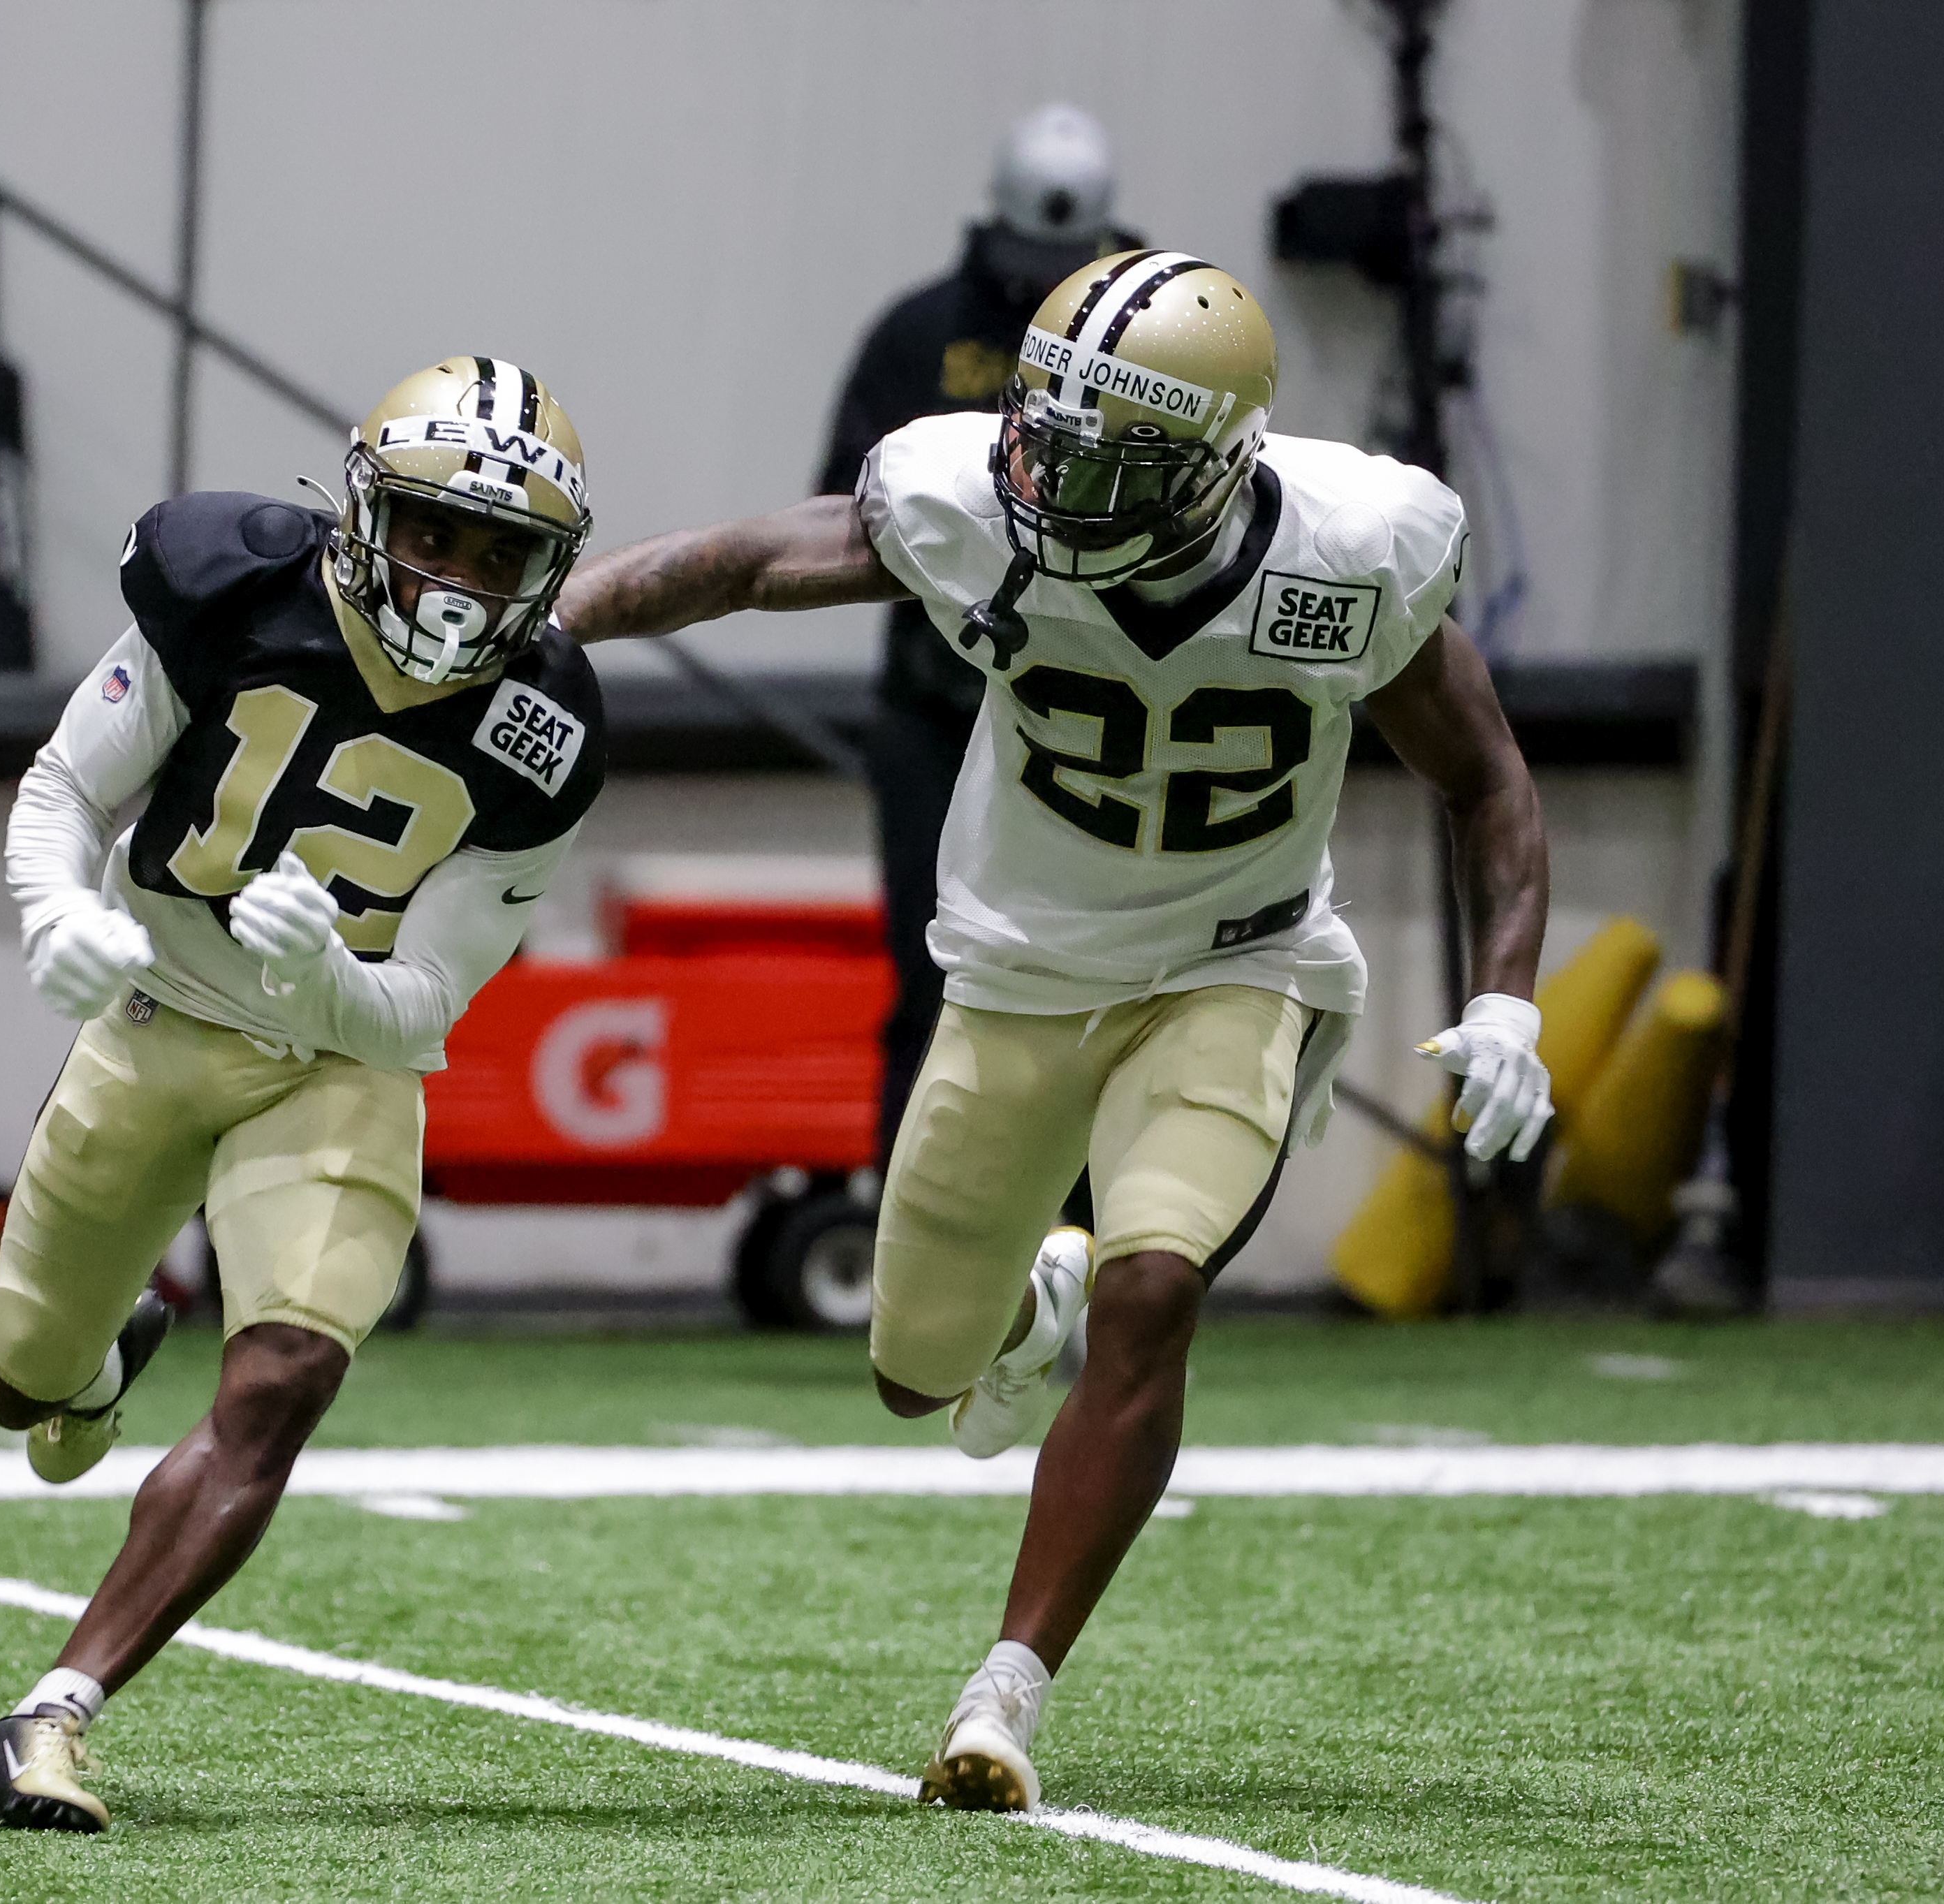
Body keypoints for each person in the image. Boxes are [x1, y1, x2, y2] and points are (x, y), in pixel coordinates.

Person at [560, 251, 1552, 1811]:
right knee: (913, 1371)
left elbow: (1487, 778)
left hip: (1239, 962)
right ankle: (1036, 1308)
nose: (1053, 474)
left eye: (1110, 455)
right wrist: (541, 625)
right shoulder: (971, 503)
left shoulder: (1357, 550)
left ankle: (1005, 1688)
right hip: (1018, 973)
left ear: (1221, 463)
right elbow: (752, 560)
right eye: (1046, 428)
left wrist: (1506, 992)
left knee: (1160, 1289)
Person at [0, 358, 604, 1832]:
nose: (461, 577)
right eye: (437, 531)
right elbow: (66, 787)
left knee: (287, 1374)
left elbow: (425, 1006)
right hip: (157, 1019)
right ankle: (96, 1363)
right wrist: (54, 913)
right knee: (23, 1387)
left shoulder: (543, 725)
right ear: (364, 512)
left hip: (339, 1065)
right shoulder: (228, 585)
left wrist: (323, 989)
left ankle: (51, 1717)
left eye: (504, 554)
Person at [816, 103, 1138, 1157]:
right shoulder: (919, 335)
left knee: (1105, 978)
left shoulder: (1161, 330)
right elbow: (841, 513)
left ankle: (1090, 1242)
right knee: (934, 970)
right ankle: (905, 1244)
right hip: (938, 714)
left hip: (1104, 717)